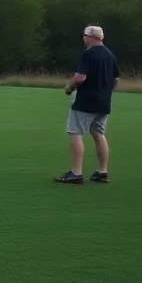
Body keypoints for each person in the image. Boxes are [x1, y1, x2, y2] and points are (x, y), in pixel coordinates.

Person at [55, 25, 119, 184]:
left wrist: (70, 88)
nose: (83, 38)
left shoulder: (88, 54)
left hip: (86, 101)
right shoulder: (110, 55)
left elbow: (80, 78)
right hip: (104, 103)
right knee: (99, 134)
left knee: (75, 132)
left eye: (84, 35)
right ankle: (102, 171)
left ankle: (76, 173)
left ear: (91, 37)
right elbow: (115, 80)